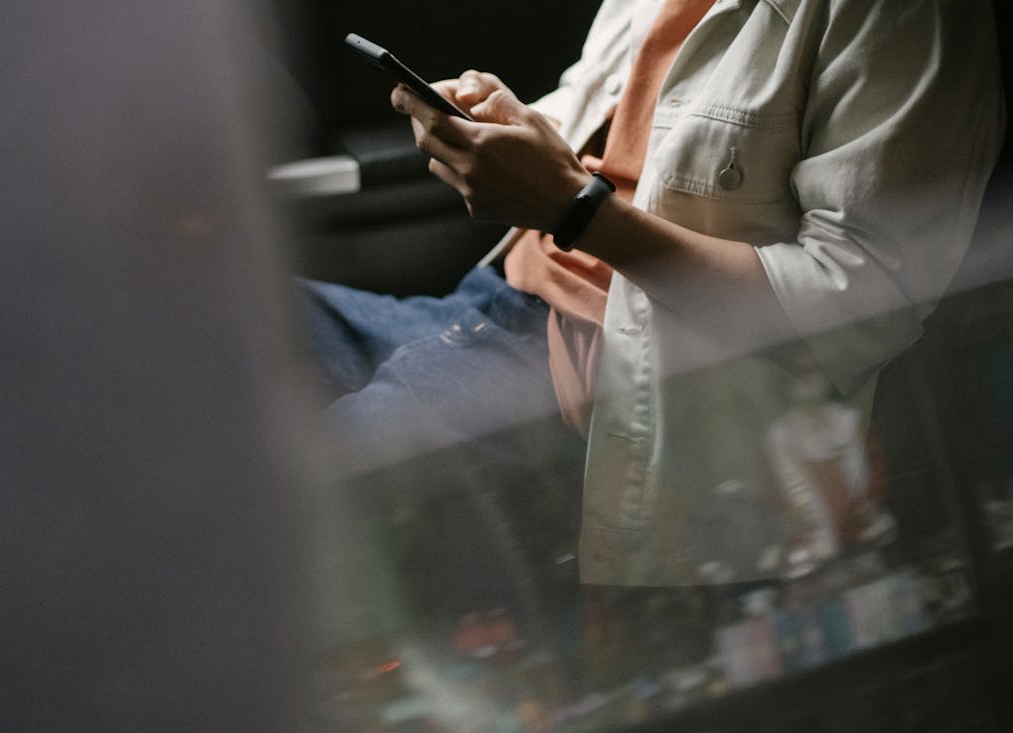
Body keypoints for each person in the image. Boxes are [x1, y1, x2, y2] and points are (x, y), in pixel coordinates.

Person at [303, 0, 1004, 624]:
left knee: (279, 500)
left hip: (592, 384)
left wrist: (573, 210)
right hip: (491, 303)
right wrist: (502, 126)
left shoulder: (904, 16)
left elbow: (856, 309)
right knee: (213, 336)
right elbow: (603, 120)